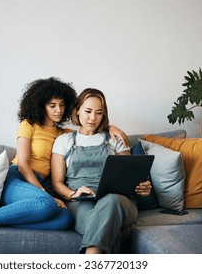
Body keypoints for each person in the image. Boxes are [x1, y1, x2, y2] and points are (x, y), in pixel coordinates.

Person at [0, 78, 128, 241]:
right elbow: (23, 165)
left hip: (40, 184)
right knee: (46, 203)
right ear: (40, 106)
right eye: (52, 105)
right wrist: (45, 194)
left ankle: (0, 218)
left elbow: (88, 131)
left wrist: (110, 126)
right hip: (17, 178)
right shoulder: (28, 125)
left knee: (65, 219)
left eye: (61, 105)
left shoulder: (64, 135)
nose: (58, 110)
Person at [51, 88, 152, 254]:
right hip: (81, 202)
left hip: (118, 201)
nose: (92, 118)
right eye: (88, 111)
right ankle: (117, 233)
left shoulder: (115, 139)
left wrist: (142, 186)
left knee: (110, 202)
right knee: (99, 222)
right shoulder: (64, 141)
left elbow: (131, 176)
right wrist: (73, 194)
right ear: (77, 111)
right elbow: (57, 183)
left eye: (99, 113)